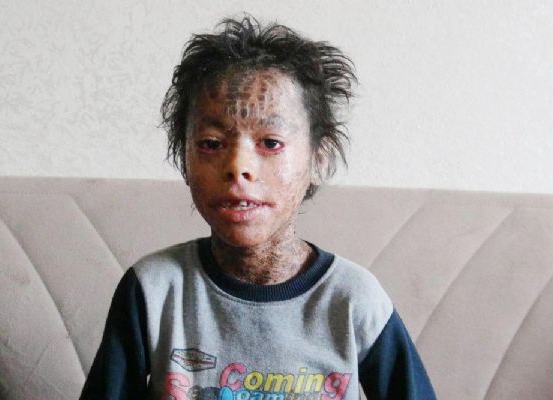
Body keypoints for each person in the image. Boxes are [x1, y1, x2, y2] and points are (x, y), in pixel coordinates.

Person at [80, 16, 437, 400]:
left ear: (319, 159)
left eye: (270, 142)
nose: (238, 166)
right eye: (211, 144)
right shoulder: (154, 289)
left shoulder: (353, 299)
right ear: (184, 159)